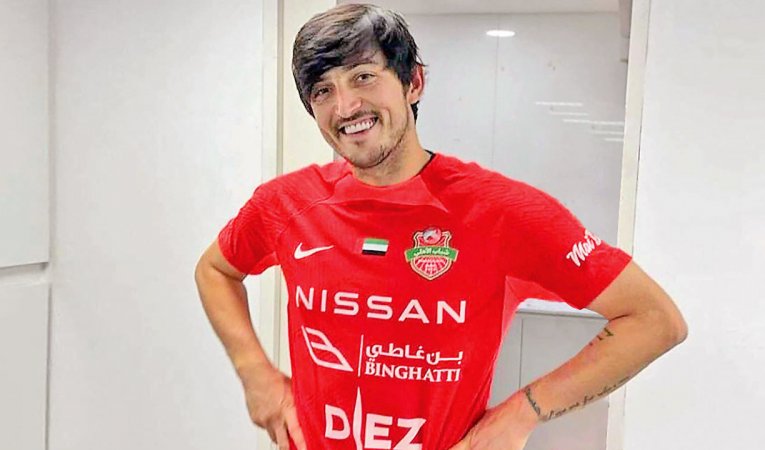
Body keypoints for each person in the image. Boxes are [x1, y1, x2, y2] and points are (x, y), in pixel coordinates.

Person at [194, 3, 688, 449]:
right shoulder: (287, 204)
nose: (345, 108)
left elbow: (654, 319)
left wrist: (523, 412)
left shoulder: (502, 212)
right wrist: (255, 373)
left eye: (363, 77)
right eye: (323, 91)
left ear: (414, 83)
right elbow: (215, 270)